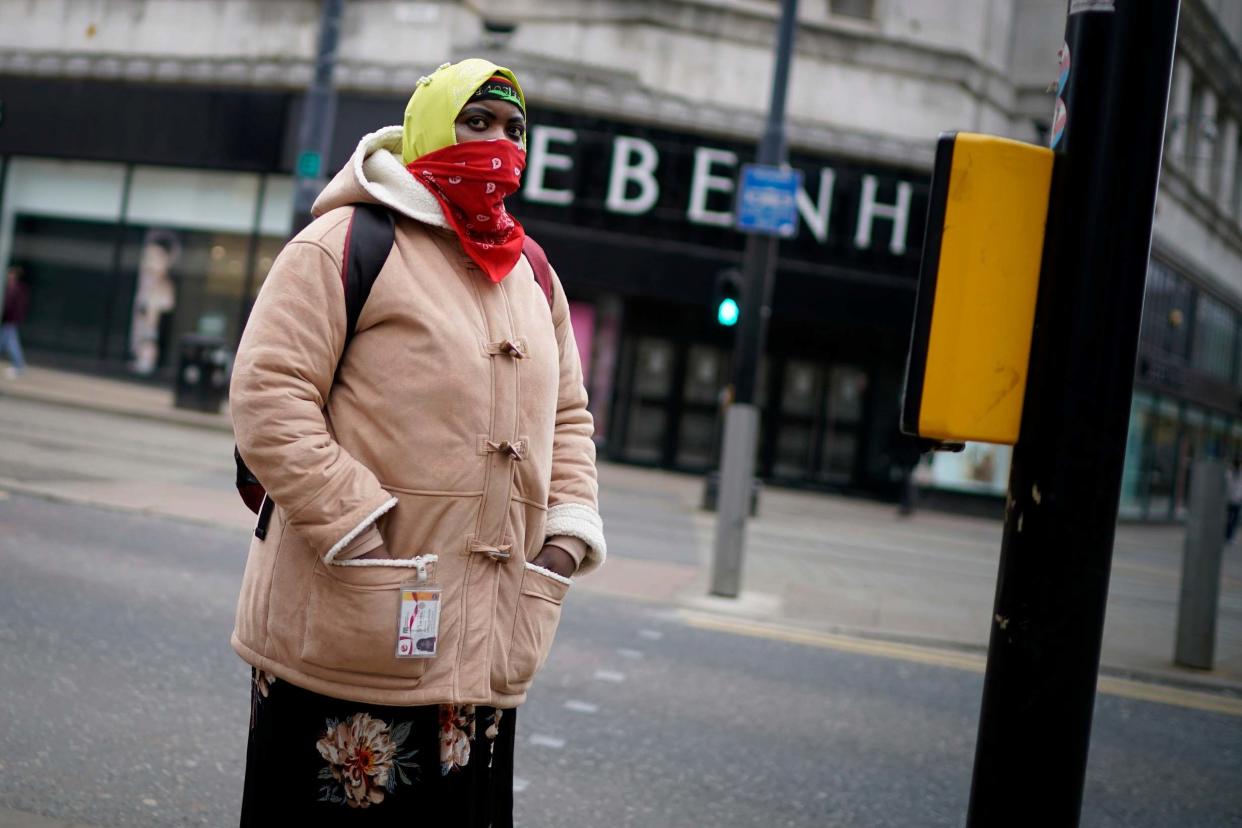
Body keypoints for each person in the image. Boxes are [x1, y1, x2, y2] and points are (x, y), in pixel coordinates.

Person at [230, 59, 605, 824]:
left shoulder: (533, 273)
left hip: (482, 654)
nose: (499, 143)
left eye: (514, 129)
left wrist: (563, 538)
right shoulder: (344, 240)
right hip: (347, 634)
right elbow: (270, 396)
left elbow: (569, 416)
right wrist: (361, 533)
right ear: (429, 126)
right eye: (477, 122)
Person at [1, 264, 30, 379]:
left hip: (11, 319)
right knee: (11, 344)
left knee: (9, 344)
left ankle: (19, 366)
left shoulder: (18, 288)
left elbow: (16, 306)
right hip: (8, 319)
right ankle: (19, 366)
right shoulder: (9, 287)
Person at [1227, 457, 1242, 542]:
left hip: (1236, 500)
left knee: (1233, 519)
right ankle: (1228, 535)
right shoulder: (1229, 473)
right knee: (1230, 519)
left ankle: (1230, 535)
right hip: (1230, 500)